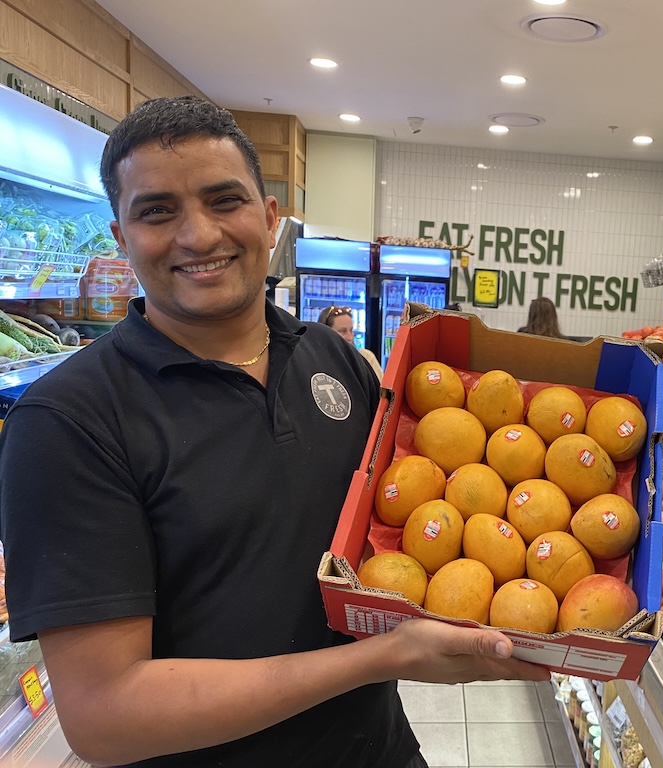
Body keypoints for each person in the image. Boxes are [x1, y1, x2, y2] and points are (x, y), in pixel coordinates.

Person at [0, 95, 547, 768]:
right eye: (157, 211)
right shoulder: (68, 423)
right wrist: (378, 659)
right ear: (120, 236)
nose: (198, 235)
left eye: (223, 200)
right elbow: (104, 715)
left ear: (269, 219)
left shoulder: (335, 360)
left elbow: (409, 523)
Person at [318, 305, 384, 382]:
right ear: (326, 333)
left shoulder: (367, 357)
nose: (350, 337)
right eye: (343, 331)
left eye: (351, 330)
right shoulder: (316, 361)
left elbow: (381, 389)